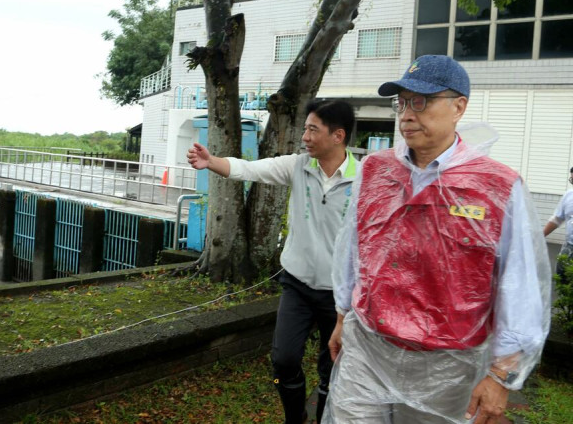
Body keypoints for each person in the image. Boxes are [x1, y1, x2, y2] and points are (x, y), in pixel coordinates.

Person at [324, 55, 551, 424]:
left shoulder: (497, 186)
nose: (407, 114)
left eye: (422, 101)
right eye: (402, 102)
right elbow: (354, 250)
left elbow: (520, 285)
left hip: (447, 364)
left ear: (459, 106)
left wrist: (501, 376)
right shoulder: (376, 170)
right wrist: (342, 315)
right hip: (368, 346)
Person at [187, 100, 357, 424]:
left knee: (333, 369)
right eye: (305, 128)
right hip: (297, 284)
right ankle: (295, 417)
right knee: (282, 362)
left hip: (340, 295)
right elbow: (251, 169)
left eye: (312, 129)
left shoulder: (363, 179)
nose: (305, 136)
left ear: (338, 136)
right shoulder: (297, 165)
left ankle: (323, 417)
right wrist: (211, 162)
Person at [543, 166, 573, 278]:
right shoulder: (569, 195)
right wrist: (540, 236)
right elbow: (557, 219)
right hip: (569, 246)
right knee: (562, 277)